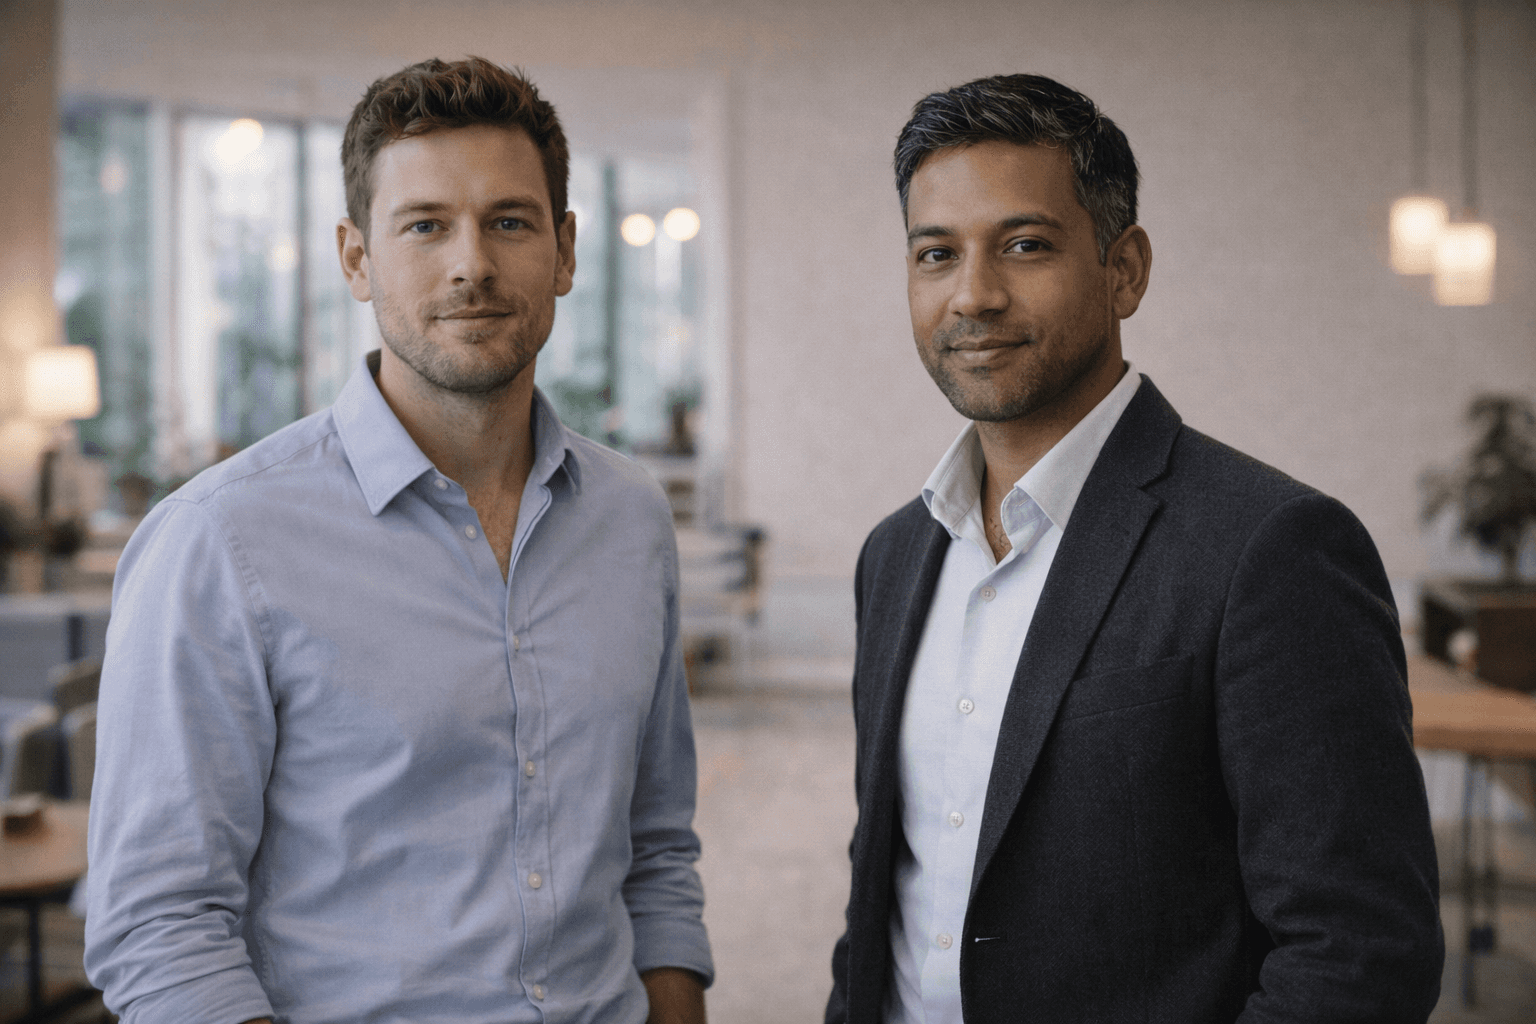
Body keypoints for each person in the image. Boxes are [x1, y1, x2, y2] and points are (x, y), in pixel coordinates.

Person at [85, 57, 711, 1024]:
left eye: (510, 221)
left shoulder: (630, 519)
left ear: (567, 251)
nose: (472, 264)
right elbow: (160, 924)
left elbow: (657, 844)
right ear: (355, 258)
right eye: (425, 226)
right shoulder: (219, 543)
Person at [825, 74, 1443, 1024]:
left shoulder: (1270, 549)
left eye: (1025, 245)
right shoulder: (895, 555)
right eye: (936, 254)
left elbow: (1359, 956)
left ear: (1126, 269)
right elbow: (890, 900)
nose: (973, 295)